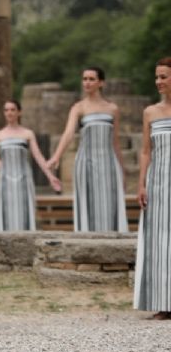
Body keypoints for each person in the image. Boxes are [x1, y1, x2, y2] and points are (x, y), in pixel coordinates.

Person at [47, 67, 127, 232]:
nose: (87, 82)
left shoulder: (112, 109)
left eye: (91, 79)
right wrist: (56, 156)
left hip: (108, 163)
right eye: (84, 79)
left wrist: (122, 170)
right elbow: (68, 133)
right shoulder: (78, 108)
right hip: (86, 162)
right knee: (88, 202)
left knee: (109, 203)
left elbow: (115, 141)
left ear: (101, 82)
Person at [0, 100, 61, 231]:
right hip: (5, 180)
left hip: (24, 179)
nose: (9, 113)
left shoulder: (27, 134)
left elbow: (38, 156)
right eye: (6, 110)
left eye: (12, 110)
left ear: (19, 112)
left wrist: (51, 176)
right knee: (5, 212)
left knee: (24, 212)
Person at [134, 57, 171, 320]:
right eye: (157, 77)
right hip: (158, 182)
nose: (159, 81)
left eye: (164, 76)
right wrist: (141, 183)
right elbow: (146, 151)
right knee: (159, 241)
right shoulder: (150, 112)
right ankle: (163, 303)